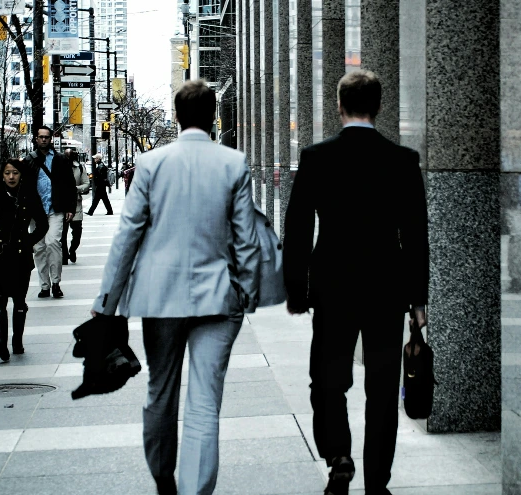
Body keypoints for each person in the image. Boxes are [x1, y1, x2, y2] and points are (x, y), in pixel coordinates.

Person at [91, 79, 260, 495]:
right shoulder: (233, 163)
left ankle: (164, 478)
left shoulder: (150, 164)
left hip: (160, 297)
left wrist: (106, 302)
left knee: (160, 390)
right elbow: (246, 238)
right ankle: (196, 490)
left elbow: (128, 234)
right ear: (213, 117)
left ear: (178, 115)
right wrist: (249, 289)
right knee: (205, 400)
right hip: (219, 299)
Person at [283, 69, 430, 495]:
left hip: (332, 285)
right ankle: (377, 482)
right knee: (382, 387)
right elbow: (416, 236)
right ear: (379, 107)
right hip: (387, 288)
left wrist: (296, 289)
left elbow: (296, 228)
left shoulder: (316, 157)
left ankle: (338, 455)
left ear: (339, 105)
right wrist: (418, 298)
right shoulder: (402, 161)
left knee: (328, 379)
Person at [0, 159, 49, 361]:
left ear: (21, 175)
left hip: (20, 256)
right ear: (2, 175)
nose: (11, 177)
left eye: (15, 173)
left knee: (20, 300)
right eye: (7, 173)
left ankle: (17, 341)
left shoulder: (28, 196)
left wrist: (28, 241)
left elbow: (43, 225)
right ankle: (1, 344)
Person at [27, 126, 77, 298]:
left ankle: (55, 282)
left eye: (46, 137)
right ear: (35, 139)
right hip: (36, 211)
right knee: (39, 248)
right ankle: (44, 285)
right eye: (40, 137)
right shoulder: (29, 160)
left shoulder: (61, 159)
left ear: (51, 139)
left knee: (53, 243)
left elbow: (70, 184)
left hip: (55, 209)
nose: (43, 140)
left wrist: (71, 207)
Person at [62, 150, 90, 264]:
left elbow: (86, 183)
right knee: (62, 233)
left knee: (77, 232)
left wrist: (77, 188)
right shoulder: (59, 167)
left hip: (76, 203)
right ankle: (64, 255)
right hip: (62, 204)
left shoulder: (80, 168)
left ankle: (72, 249)